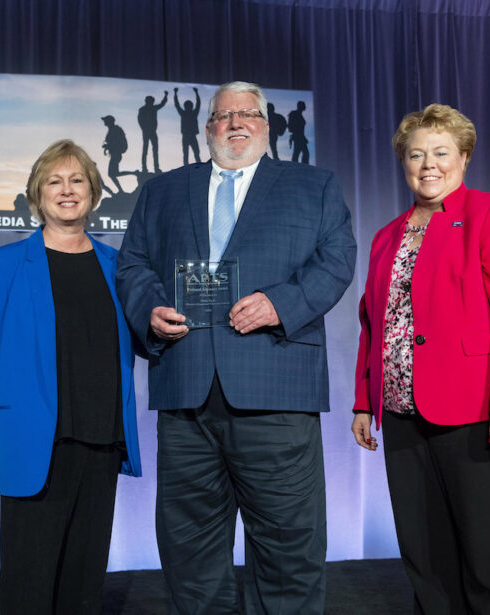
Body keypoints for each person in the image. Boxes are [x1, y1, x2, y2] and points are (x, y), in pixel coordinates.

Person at [117, 81, 356, 614]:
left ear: (266, 127)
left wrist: (282, 304)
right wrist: (149, 311)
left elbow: (337, 260)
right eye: (224, 116)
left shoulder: (313, 186)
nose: (236, 124)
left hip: (275, 391)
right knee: (189, 552)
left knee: (288, 548)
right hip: (186, 395)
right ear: (207, 129)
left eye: (248, 114)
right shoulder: (163, 191)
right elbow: (133, 264)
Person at [351, 103, 490, 614]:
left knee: (487, 560)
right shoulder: (385, 236)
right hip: (400, 414)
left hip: (477, 413)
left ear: (463, 157)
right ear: (403, 162)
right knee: (426, 561)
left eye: (441, 152)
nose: (429, 164)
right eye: (416, 154)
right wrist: (362, 402)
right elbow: (373, 323)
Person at [0, 140, 142, 614]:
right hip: (31, 441)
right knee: (29, 582)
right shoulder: (2, 265)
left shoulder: (118, 267)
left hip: (101, 440)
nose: (67, 191)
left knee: (84, 584)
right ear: (37, 195)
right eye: (54, 182)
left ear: (93, 192)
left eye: (77, 181)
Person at [138, 91, 168, 173]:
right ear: (147, 101)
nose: (151, 102)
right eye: (150, 101)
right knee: (145, 150)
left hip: (152, 132)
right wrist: (144, 128)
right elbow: (140, 120)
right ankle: (144, 167)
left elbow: (162, 104)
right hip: (146, 132)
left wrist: (165, 96)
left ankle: (156, 168)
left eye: (152, 101)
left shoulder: (153, 108)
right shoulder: (142, 110)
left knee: (154, 150)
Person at [174, 86, 202, 165]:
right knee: (187, 153)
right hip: (187, 135)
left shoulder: (192, 113)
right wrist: (175, 94)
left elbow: (198, 104)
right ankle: (188, 167)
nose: (189, 107)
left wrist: (196, 93)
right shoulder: (186, 113)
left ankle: (198, 167)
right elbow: (177, 105)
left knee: (195, 153)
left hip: (191, 135)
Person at [101, 115, 128, 193]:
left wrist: (107, 146)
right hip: (114, 154)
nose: (104, 122)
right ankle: (121, 190)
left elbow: (116, 143)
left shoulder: (115, 130)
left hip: (116, 154)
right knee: (114, 173)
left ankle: (121, 190)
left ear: (109, 121)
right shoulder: (112, 130)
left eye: (105, 121)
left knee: (112, 174)